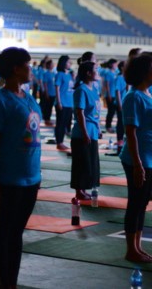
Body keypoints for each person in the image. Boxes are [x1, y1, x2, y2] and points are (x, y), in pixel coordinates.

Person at [0, 47, 41, 289]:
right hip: (7, 180)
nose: (31, 70)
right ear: (16, 69)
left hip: (31, 179)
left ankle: (11, 283)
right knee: (3, 235)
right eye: (28, 65)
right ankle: (3, 284)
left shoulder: (28, 97)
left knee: (16, 235)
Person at [120, 53, 152, 263]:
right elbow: (131, 133)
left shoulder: (148, 96)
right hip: (139, 160)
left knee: (142, 204)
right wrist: (137, 164)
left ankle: (138, 246)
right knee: (136, 203)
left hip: (151, 158)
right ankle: (131, 249)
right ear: (144, 72)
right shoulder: (133, 97)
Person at [70, 62, 101, 200]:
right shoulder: (81, 90)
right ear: (88, 73)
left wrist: (98, 128)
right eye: (95, 69)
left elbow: (95, 112)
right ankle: (79, 191)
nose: (97, 71)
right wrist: (84, 132)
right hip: (83, 132)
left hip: (92, 130)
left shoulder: (93, 89)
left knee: (89, 163)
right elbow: (79, 112)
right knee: (81, 163)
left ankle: (83, 189)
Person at [55, 55, 74, 150]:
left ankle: (61, 141)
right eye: (68, 62)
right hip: (62, 102)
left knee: (66, 123)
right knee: (60, 123)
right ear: (63, 63)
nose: (70, 64)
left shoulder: (69, 75)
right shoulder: (59, 74)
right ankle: (59, 142)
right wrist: (59, 102)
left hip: (69, 103)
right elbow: (57, 88)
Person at [41, 59, 55, 126]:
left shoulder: (53, 73)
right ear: (49, 65)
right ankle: (47, 120)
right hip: (49, 93)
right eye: (52, 64)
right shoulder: (46, 74)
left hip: (53, 93)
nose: (53, 65)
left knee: (51, 107)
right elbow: (45, 84)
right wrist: (46, 93)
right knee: (48, 107)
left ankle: (48, 119)